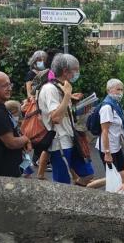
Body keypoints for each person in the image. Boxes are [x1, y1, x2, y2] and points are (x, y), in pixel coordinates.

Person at [39, 53, 96, 186]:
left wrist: (76, 105)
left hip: (71, 138)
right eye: (75, 70)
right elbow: (56, 118)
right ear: (65, 71)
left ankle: (75, 196)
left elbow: (64, 113)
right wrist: (67, 96)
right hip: (59, 142)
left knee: (88, 174)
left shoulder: (61, 87)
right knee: (62, 183)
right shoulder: (49, 89)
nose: (77, 73)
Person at [97, 79, 124, 178]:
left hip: (116, 147)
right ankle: (90, 187)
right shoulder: (107, 107)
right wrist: (107, 153)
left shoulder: (116, 105)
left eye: (122, 90)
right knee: (115, 177)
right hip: (108, 148)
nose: (120, 92)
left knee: (123, 174)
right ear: (109, 91)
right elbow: (105, 131)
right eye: (118, 89)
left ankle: (89, 186)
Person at [5, 99, 34, 178]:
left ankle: (27, 174)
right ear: (13, 112)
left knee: (26, 165)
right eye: (18, 113)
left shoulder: (11, 121)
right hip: (18, 151)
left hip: (21, 151)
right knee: (24, 167)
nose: (18, 115)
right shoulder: (10, 123)